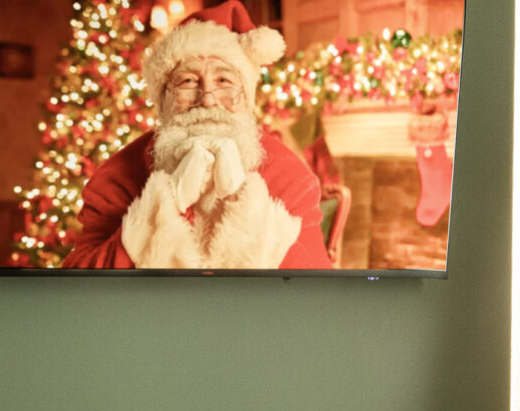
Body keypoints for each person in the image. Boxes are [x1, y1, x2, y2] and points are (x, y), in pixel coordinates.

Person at [62, 0, 332, 271]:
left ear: (247, 98)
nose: (207, 101)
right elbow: (77, 289)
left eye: (224, 81)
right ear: (164, 98)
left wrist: (244, 200)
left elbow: (314, 294)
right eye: (188, 81)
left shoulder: (290, 178)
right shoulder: (116, 178)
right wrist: (165, 203)